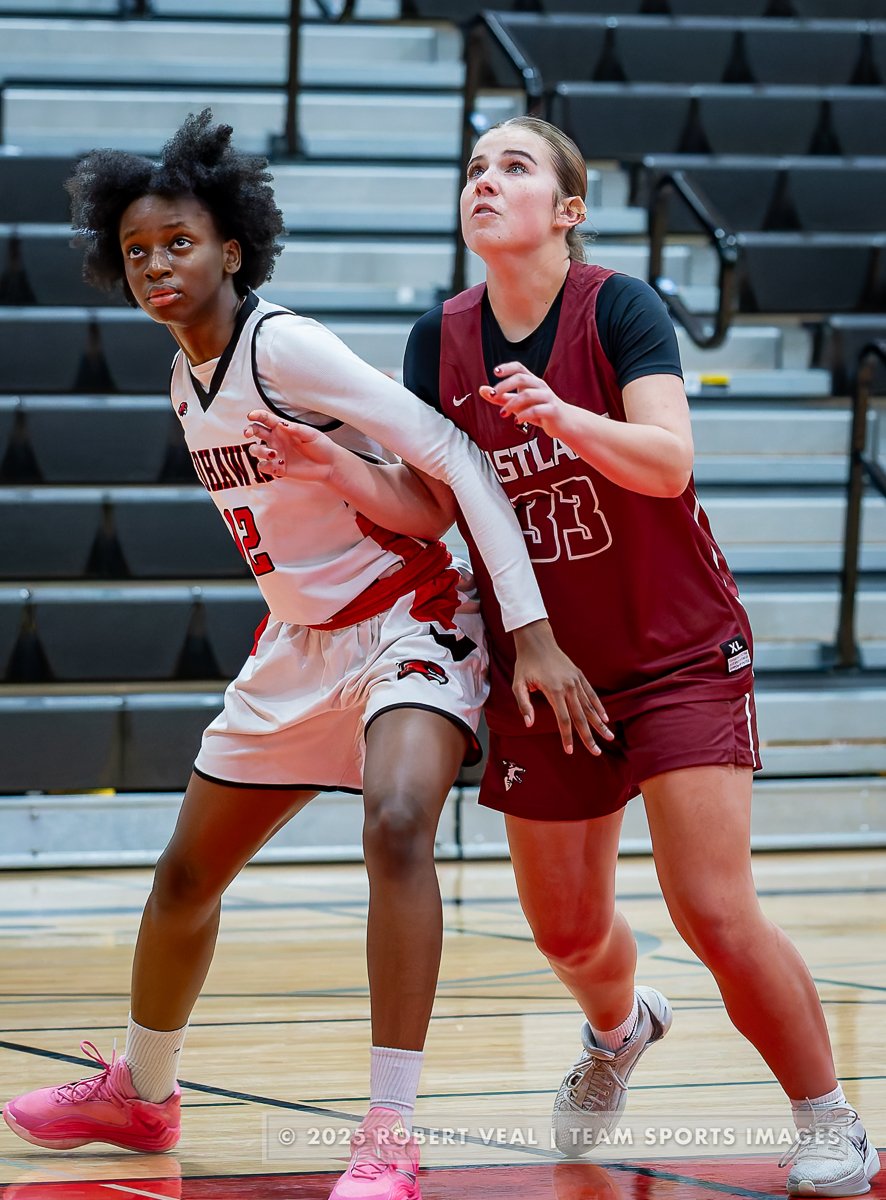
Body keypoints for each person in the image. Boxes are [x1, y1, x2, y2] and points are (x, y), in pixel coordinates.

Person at [250, 116, 879, 1199]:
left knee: (710, 906)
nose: (485, 181)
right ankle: (620, 1030)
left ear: (568, 209)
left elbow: (668, 462)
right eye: (474, 168)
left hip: (675, 652)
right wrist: (331, 465)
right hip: (540, 669)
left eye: (514, 166)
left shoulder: (618, 307)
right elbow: (429, 506)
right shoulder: (439, 339)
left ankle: (830, 1118)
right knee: (569, 931)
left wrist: (560, 416)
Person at [1, 111, 609, 1200]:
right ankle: (143, 1092)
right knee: (186, 875)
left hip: (412, 617)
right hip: (297, 645)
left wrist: (530, 633)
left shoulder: (281, 346)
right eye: (136, 251)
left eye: (179, 242)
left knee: (398, 823)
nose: (157, 265)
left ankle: (389, 1133)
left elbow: (454, 458)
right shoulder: (183, 382)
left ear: (231, 248)